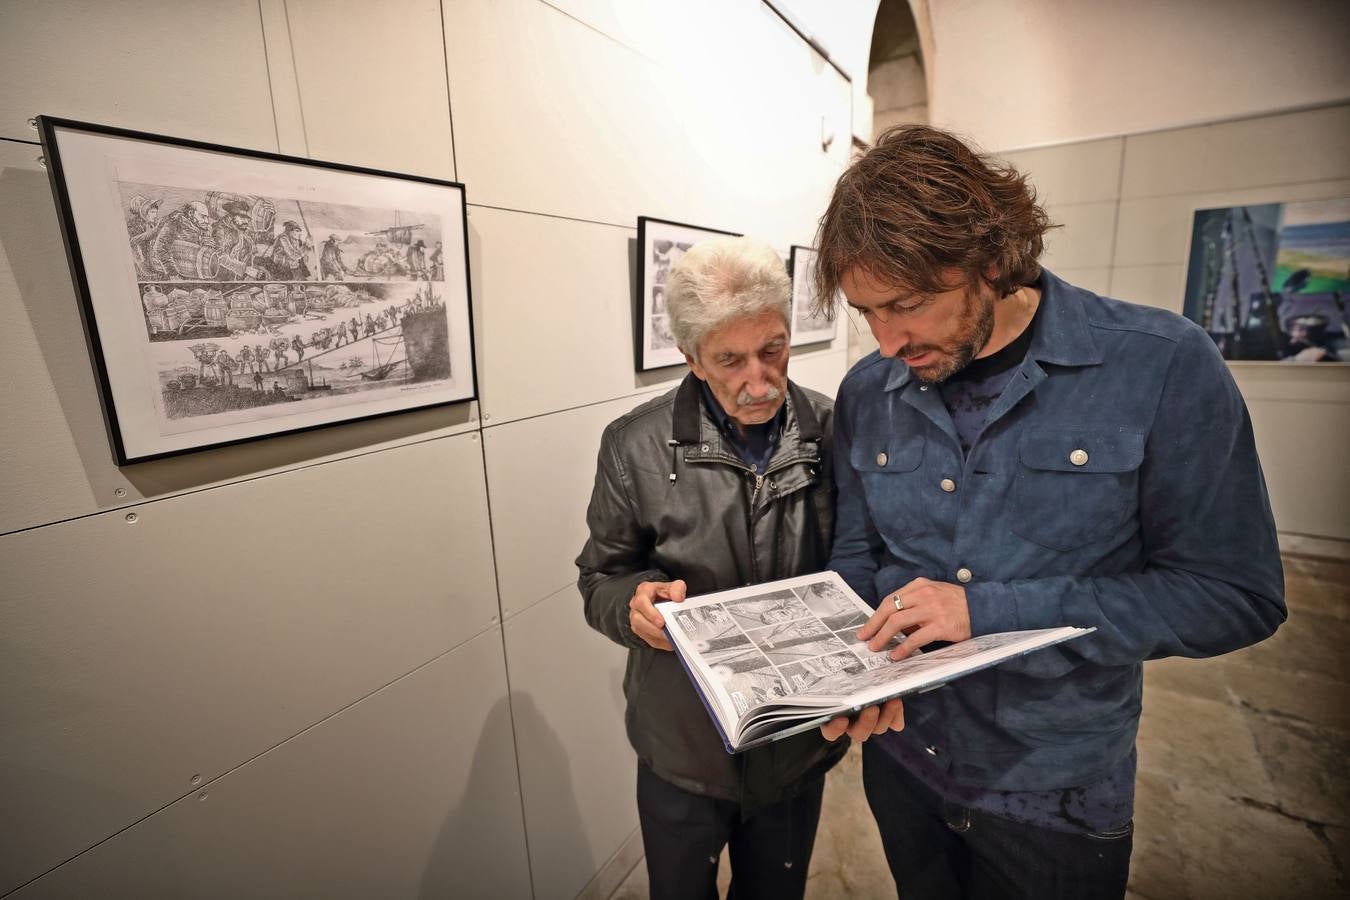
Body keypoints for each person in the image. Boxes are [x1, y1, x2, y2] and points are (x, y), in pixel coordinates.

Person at [810, 124, 1287, 900]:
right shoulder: (869, 390)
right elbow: (858, 562)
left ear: (992, 260)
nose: (889, 339)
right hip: (906, 762)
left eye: (911, 304)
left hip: (1055, 789)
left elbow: (1235, 594)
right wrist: (847, 677)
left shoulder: (1160, 364)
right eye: (867, 312)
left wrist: (990, 611)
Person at [577, 236, 896, 900]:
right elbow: (602, 577)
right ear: (691, 358)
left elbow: (860, 562)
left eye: (773, 350)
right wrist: (635, 605)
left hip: (795, 740)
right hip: (683, 744)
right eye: (729, 360)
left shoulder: (831, 428)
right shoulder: (634, 445)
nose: (760, 381)